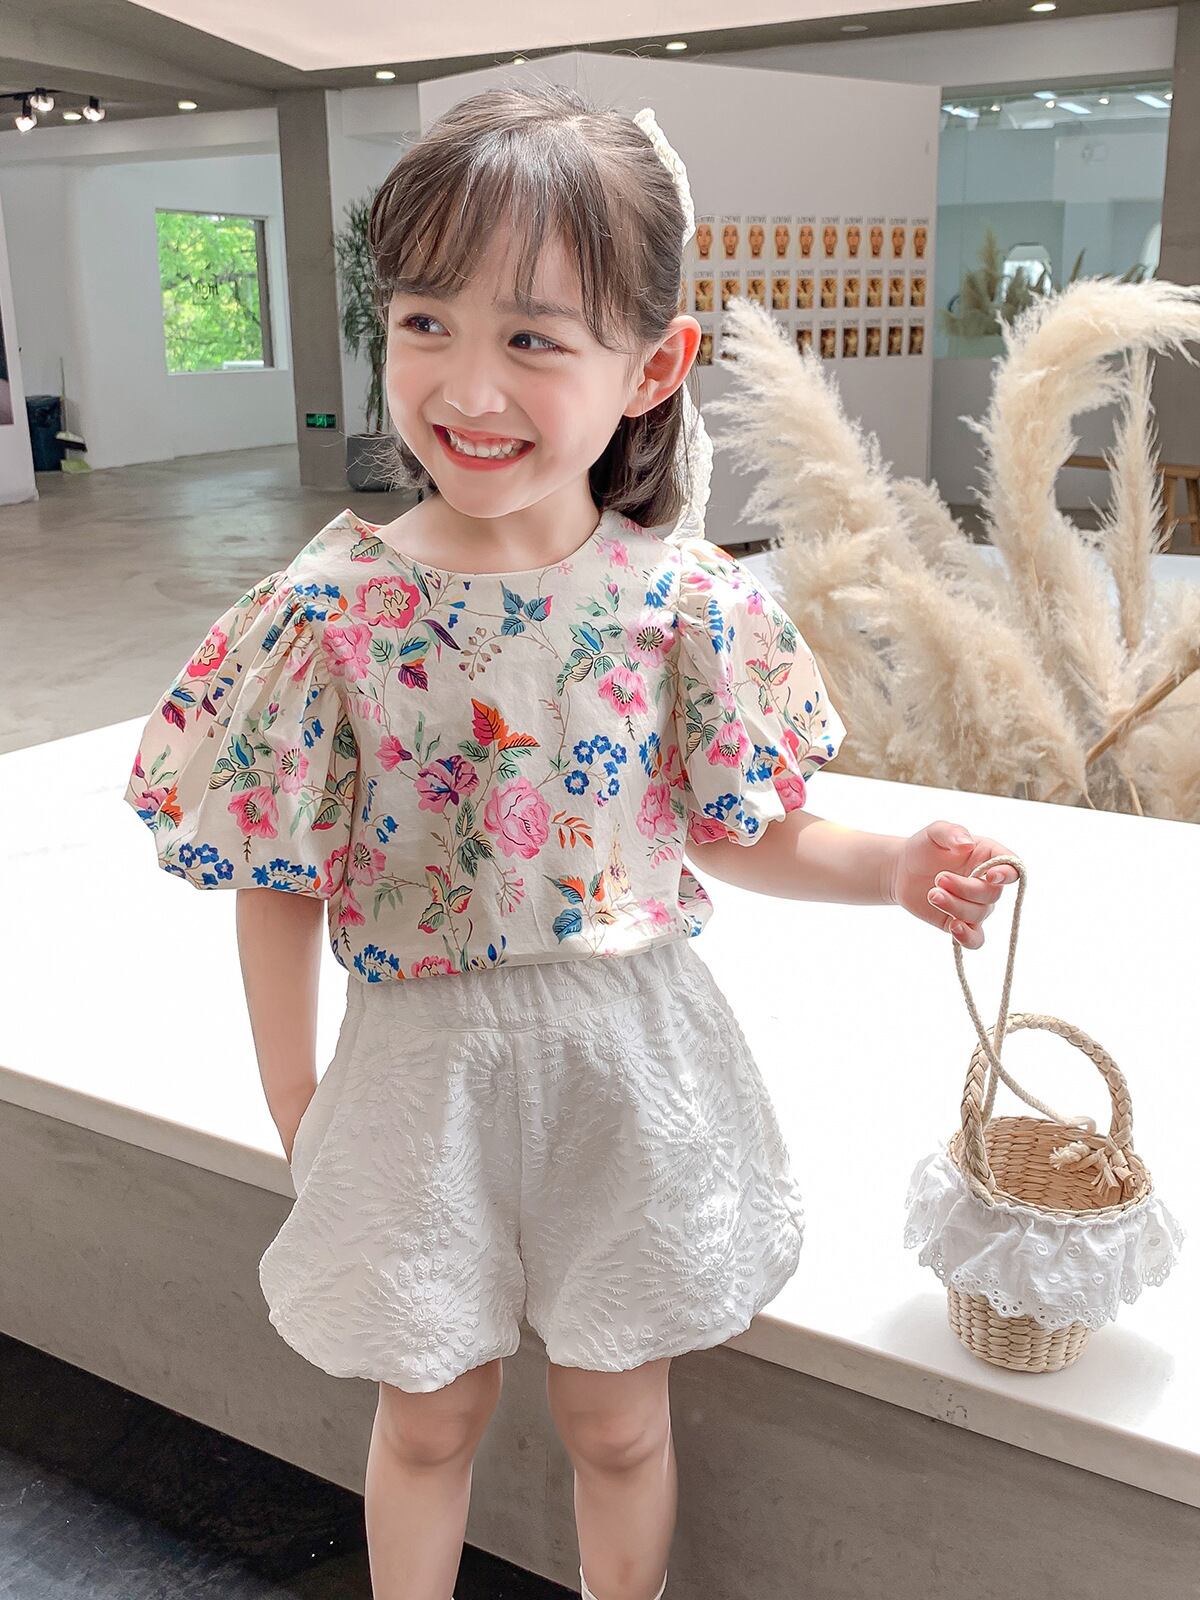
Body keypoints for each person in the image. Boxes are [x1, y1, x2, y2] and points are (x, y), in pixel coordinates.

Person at [122, 85, 1020, 1600]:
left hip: (631, 1064)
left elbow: (740, 830)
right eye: (427, 322)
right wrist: (297, 1101)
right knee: (430, 1412)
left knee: (617, 1416)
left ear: (651, 367)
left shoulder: (680, 599)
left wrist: (886, 866)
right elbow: (278, 873)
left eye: (535, 338)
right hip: (417, 1076)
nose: (469, 385)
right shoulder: (329, 611)